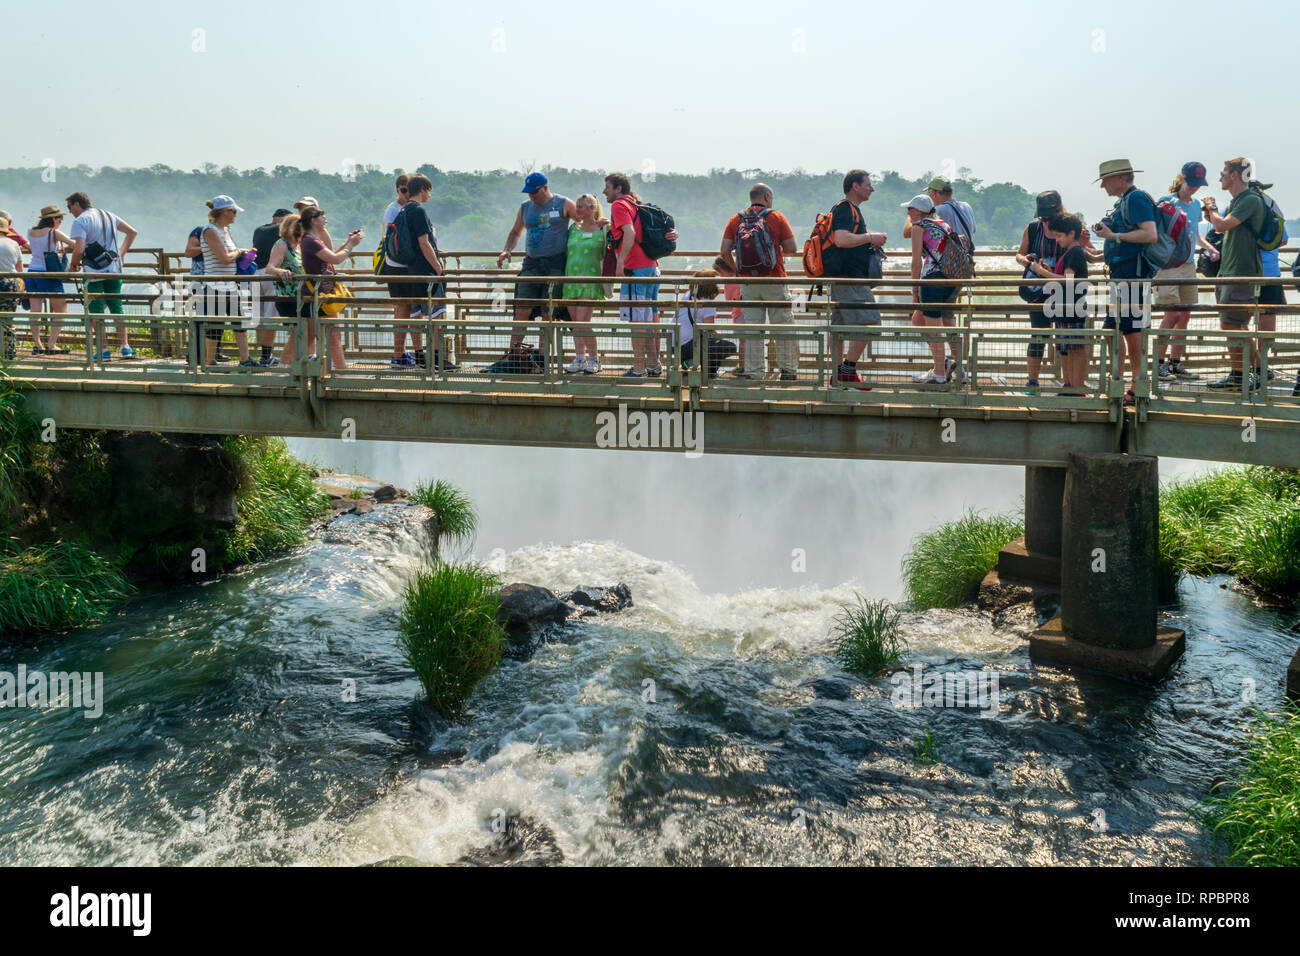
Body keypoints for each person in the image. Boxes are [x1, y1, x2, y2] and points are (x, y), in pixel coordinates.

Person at [1092, 160, 1157, 406]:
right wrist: (1098, 248)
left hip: (1133, 277)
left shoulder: (1136, 199)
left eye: (1105, 180)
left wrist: (1113, 235)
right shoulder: (1126, 201)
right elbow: (1126, 238)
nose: (1102, 187)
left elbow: (1150, 234)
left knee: (1130, 330)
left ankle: (1137, 384)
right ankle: (1125, 382)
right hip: (1123, 277)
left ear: (1120, 178)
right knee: (1117, 330)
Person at [719, 183, 799, 380]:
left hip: (748, 282)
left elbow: (724, 250)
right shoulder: (776, 217)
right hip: (774, 279)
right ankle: (787, 371)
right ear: (767, 196)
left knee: (754, 328)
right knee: (782, 325)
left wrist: (738, 271)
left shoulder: (736, 219)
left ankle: (754, 371)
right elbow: (792, 248)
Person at [1202, 158, 1268, 392]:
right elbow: (1221, 225)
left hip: (1241, 270)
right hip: (1230, 269)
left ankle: (1248, 373)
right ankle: (1250, 372)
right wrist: (1212, 214)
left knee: (1232, 324)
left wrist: (1213, 210)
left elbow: (1222, 226)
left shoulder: (1250, 199)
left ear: (1235, 176)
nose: (1220, 177)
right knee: (1232, 324)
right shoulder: (1240, 200)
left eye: (1223, 173)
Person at [497, 172, 577, 348]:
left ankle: (544, 357)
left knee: (549, 312)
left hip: (555, 263)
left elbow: (584, 222)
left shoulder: (563, 203)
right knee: (521, 309)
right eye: (529, 193)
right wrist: (506, 250)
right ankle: (514, 354)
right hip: (531, 263)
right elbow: (515, 232)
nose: (531, 196)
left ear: (545, 188)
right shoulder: (525, 207)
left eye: (534, 192)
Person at [603, 172, 669, 377]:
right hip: (651, 267)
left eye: (607, 186)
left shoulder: (618, 205)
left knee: (637, 322)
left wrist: (621, 262)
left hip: (635, 269)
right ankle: (653, 364)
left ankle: (639, 368)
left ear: (618, 188)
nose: (604, 191)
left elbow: (629, 233)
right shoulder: (635, 203)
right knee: (648, 318)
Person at [828, 169, 888, 388]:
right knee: (871, 323)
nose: (871, 188)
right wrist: (870, 237)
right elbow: (841, 239)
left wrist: (868, 238)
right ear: (855, 186)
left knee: (840, 328)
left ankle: (837, 376)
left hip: (842, 278)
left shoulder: (848, 210)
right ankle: (847, 372)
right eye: (868, 184)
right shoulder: (845, 209)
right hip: (849, 279)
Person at [1154, 163, 1213, 381]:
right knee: (1172, 314)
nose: (1195, 188)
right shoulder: (1165, 202)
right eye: (1192, 183)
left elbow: (1195, 235)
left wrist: (1210, 247)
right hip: (1168, 266)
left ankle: (1175, 363)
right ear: (1182, 179)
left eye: (1199, 185)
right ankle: (1158, 364)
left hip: (1189, 265)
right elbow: (1156, 236)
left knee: (1185, 314)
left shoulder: (1196, 205)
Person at [66, 191, 138, 361]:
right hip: (114, 269)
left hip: (93, 271)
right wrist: (121, 254)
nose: (69, 211)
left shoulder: (80, 221)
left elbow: (80, 249)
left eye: (69, 207)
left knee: (96, 310)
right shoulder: (108, 214)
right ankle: (125, 347)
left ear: (77, 204)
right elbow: (132, 232)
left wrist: (73, 264)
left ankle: (103, 350)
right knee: (116, 307)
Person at [1026, 213, 1090, 394]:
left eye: (1060, 236)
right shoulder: (1070, 252)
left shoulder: (1075, 252)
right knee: (1066, 348)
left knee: (1075, 348)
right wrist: (1049, 270)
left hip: (1071, 306)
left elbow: (1067, 281)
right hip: (1064, 307)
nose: (1058, 240)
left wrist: (1041, 271)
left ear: (1071, 234)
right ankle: (1069, 385)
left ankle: (1077, 388)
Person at [395, 175, 451, 370]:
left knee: (417, 314)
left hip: (412, 270)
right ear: (422, 190)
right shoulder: (418, 210)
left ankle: (423, 357)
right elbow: (423, 242)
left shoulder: (404, 210)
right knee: (436, 315)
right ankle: (436, 360)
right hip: (426, 271)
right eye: (428, 190)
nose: (430, 194)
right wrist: (438, 267)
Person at [299, 205, 363, 371]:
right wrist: (350, 246)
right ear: (313, 220)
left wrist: (349, 243)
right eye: (322, 217)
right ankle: (294, 368)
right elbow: (335, 259)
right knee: (311, 336)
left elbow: (330, 257)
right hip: (316, 296)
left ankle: (341, 370)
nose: (325, 220)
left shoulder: (315, 240)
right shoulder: (309, 241)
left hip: (325, 295)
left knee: (334, 334)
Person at [903, 195, 957, 384]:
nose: (907, 213)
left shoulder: (920, 227)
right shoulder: (943, 223)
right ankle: (946, 365)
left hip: (932, 280)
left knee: (934, 331)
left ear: (917, 211)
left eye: (909, 209)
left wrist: (914, 292)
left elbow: (916, 263)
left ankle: (940, 376)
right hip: (951, 280)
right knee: (918, 319)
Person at [1015, 190, 1065, 395]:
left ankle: (1069, 382)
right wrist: (1026, 261)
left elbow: (1081, 253)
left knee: (1065, 334)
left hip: (1063, 288)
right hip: (1037, 288)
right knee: (1038, 334)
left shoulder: (1070, 227)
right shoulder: (1033, 228)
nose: (1045, 220)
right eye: (1043, 216)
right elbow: (1019, 253)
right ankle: (1032, 381)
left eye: (1048, 216)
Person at [196, 196, 255, 367]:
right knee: (216, 326)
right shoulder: (210, 231)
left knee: (240, 321)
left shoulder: (225, 230)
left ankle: (245, 360)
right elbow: (223, 258)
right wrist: (239, 252)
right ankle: (209, 362)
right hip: (214, 286)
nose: (235, 214)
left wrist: (241, 254)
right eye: (233, 211)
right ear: (222, 212)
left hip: (230, 284)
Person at [560, 193, 608, 373]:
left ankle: (594, 359)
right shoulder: (573, 228)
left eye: (581, 206)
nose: (577, 209)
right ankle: (580, 358)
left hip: (591, 280)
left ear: (591, 208)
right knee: (575, 322)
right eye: (577, 206)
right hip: (571, 279)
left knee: (583, 322)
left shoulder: (603, 228)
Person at [378, 174, 422, 368]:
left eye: (409, 190)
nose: (406, 194)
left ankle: (412, 353)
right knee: (404, 308)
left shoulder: (410, 208)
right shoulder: (393, 210)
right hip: (398, 266)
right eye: (403, 190)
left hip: (409, 266)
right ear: (397, 190)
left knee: (413, 310)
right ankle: (399, 354)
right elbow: (396, 240)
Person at [24, 205, 74, 354]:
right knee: (61, 310)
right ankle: (52, 344)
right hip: (48, 274)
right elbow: (75, 244)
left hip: (32, 273)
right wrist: (66, 249)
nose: (61, 221)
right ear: (53, 219)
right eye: (60, 218)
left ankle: (38, 345)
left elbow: (35, 249)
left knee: (35, 311)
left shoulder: (30, 231)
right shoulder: (54, 233)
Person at [251, 207, 291, 366]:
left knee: (260, 318)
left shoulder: (259, 230)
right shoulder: (282, 230)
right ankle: (266, 357)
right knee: (271, 318)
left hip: (255, 275)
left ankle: (263, 355)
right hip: (271, 276)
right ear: (284, 220)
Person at [0, 217, 23, 362]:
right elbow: (20, 271)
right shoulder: (14, 243)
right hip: (10, 283)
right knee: (8, 319)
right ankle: (9, 352)